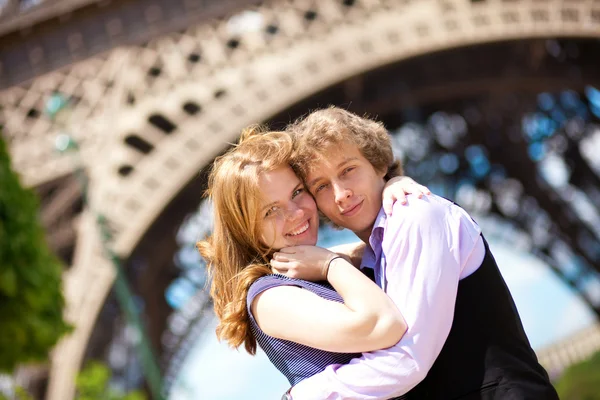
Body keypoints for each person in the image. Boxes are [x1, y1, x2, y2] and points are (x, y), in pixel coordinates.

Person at [274, 107, 559, 399]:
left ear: (378, 164)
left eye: (348, 170)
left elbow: (408, 360)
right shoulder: (376, 251)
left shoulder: (415, 216)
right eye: (321, 186)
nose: (340, 193)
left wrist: (303, 395)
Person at [196, 127, 431, 387]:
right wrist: (329, 264)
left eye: (297, 192)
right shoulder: (269, 298)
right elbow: (383, 324)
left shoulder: (314, 264)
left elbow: (402, 247)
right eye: (271, 210)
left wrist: (392, 187)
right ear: (245, 229)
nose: (295, 213)